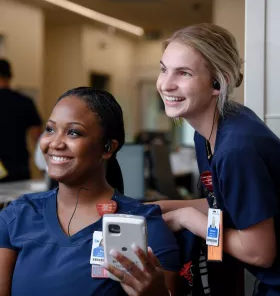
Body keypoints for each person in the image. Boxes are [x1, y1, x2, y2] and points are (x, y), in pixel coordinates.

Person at [153, 23, 280, 296]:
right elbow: (224, 204)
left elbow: (259, 253)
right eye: (164, 69)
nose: (166, 84)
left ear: (218, 83)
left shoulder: (236, 148)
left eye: (184, 73)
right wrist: (155, 208)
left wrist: (187, 218)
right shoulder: (211, 131)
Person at [0, 87, 181, 296]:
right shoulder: (17, 215)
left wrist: (157, 293)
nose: (55, 143)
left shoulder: (145, 225)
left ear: (107, 148)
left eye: (73, 132)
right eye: (50, 129)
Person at [0, 59, 42, 182]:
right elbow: (37, 138)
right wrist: (43, 167)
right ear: (10, 76)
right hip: (19, 166)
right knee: (19, 200)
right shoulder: (25, 102)